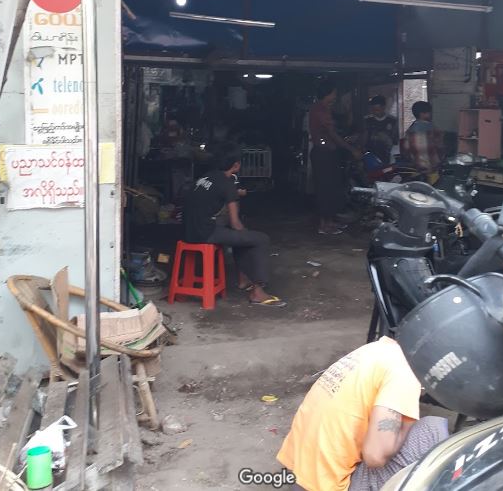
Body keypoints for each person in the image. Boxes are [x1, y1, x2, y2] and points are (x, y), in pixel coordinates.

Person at [277, 338, 449, 491]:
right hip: (332, 485)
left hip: (299, 475)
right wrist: (408, 422)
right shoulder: (406, 372)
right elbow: (375, 456)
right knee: (433, 428)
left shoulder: (376, 350)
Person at [182, 144, 286, 308]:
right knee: (260, 239)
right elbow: (235, 223)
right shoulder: (228, 183)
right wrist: (245, 233)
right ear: (236, 165)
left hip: (188, 231)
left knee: (238, 236)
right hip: (205, 233)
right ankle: (258, 292)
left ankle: (243, 280)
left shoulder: (206, 177)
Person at [309, 81, 361, 236]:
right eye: (334, 93)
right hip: (324, 154)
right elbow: (332, 134)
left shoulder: (321, 108)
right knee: (326, 188)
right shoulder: (321, 110)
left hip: (325, 153)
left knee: (330, 188)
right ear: (329, 93)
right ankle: (324, 224)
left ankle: (329, 221)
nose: (335, 96)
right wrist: (351, 149)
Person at [403, 101, 441, 179]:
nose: (430, 114)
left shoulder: (410, 130)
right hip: (432, 169)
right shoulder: (433, 129)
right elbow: (440, 147)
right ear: (422, 114)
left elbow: (406, 149)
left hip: (416, 170)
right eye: (428, 112)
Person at [362, 96, 398, 166]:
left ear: (383, 107)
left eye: (377, 109)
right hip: (371, 155)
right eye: (373, 110)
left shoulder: (392, 121)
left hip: (387, 155)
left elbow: (395, 139)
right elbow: (364, 137)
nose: (375, 112)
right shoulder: (367, 120)